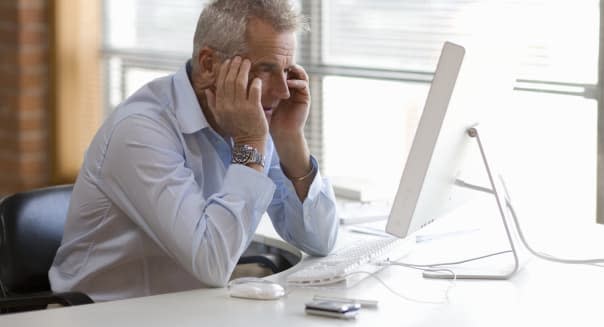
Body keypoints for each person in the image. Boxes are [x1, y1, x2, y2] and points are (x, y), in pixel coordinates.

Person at [49, 0, 338, 302]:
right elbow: (211, 262)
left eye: (287, 71)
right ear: (209, 64)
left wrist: (290, 139)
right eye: (265, 70)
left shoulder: (251, 117)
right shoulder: (139, 131)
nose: (283, 91)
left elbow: (320, 240)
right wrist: (251, 141)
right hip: (101, 315)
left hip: (188, 308)